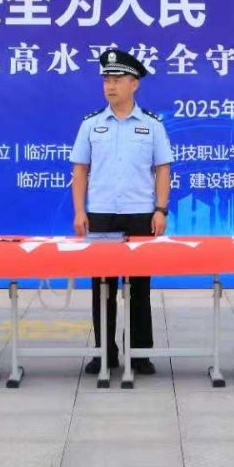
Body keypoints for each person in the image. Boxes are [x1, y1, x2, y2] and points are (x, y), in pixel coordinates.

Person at [70, 48, 171, 376]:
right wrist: (79, 211)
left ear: (134, 83)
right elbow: (80, 170)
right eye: (106, 80)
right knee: (102, 289)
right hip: (101, 215)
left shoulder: (151, 125)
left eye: (117, 79)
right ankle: (104, 353)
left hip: (140, 214)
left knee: (139, 288)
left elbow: (163, 169)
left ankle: (140, 353)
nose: (110, 86)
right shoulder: (91, 124)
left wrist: (161, 209)